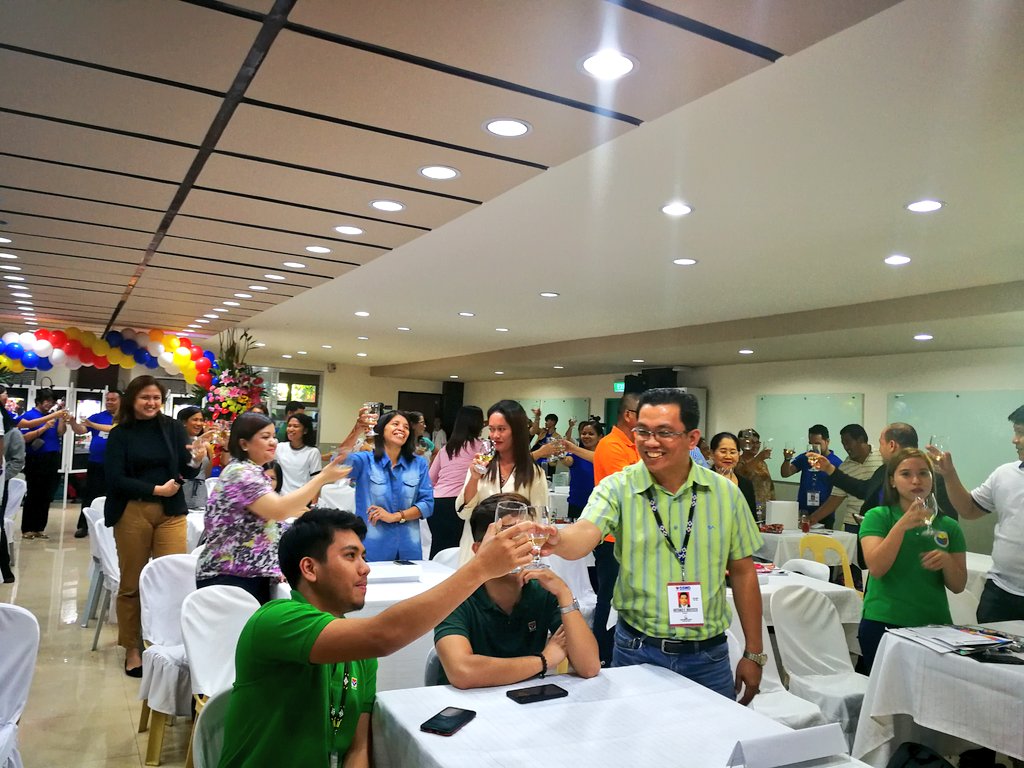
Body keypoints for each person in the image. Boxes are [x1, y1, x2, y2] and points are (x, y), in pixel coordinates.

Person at [218, 507, 536, 768]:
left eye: (363, 556)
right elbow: (383, 635)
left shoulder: (360, 655)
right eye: (350, 556)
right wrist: (479, 569)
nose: (365, 568)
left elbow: (357, 749)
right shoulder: (275, 620)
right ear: (309, 568)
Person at [542, 388, 766, 703]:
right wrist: (556, 538)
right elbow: (584, 535)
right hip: (638, 651)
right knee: (634, 747)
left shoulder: (724, 494)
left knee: (714, 748)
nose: (650, 441)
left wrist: (754, 652)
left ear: (692, 438)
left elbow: (743, 573)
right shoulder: (618, 487)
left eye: (663, 432)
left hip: (709, 657)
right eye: (643, 431)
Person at [434, 493, 600, 688]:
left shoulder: (541, 590)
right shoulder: (456, 594)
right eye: (508, 535)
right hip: (466, 706)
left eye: (527, 534)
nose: (521, 543)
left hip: (526, 703)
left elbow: (589, 667)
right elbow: (462, 671)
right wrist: (544, 660)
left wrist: (564, 593)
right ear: (478, 549)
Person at [104, 376, 206, 677]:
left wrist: (195, 461)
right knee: (132, 582)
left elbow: (183, 470)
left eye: (156, 398)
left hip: (171, 512)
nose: (151, 403)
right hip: (132, 510)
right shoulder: (121, 433)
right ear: (132, 399)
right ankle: (132, 648)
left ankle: (165, 643)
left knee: (171, 580)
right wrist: (154, 490)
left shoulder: (172, 428)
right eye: (145, 397)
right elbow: (114, 478)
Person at [196, 412, 351, 603]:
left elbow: (273, 518)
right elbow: (279, 511)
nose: (273, 442)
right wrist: (322, 478)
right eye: (265, 437)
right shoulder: (241, 473)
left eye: (274, 436)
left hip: (248, 573)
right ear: (244, 444)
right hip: (230, 575)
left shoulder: (252, 470)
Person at [857, 448, 967, 672]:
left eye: (924, 473)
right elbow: (876, 568)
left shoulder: (948, 526)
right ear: (893, 481)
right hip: (884, 622)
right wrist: (902, 525)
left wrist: (946, 561)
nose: (916, 480)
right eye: (906, 474)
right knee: (887, 701)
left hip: (934, 626)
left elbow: (958, 586)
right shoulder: (878, 517)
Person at [928, 404, 1024, 622]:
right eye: (1015, 432)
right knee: (987, 653)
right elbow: (969, 509)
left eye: (1020, 432)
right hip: (1001, 589)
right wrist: (949, 475)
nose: (1014, 440)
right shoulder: (1005, 474)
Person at [456, 400, 549, 565]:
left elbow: (538, 518)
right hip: (477, 548)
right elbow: (464, 512)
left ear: (517, 431)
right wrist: (474, 478)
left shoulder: (533, 473)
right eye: (491, 429)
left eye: (502, 429)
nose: (495, 435)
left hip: (514, 552)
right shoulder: (481, 465)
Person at [589, 392, 640, 665]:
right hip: (611, 537)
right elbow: (630, 490)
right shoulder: (611, 445)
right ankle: (600, 655)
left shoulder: (635, 445)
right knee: (607, 598)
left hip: (633, 537)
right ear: (629, 416)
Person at [344, 409, 433, 561]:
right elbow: (337, 464)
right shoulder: (366, 461)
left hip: (408, 547)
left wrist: (395, 516)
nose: (401, 429)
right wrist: (357, 429)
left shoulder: (419, 464)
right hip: (372, 547)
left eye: (406, 427)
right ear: (381, 430)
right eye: (395, 424)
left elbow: (427, 504)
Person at [427, 405, 483, 557]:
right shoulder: (483, 447)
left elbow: (430, 479)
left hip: (437, 501)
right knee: (459, 551)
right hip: (461, 503)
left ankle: (435, 580)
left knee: (438, 549)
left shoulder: (447, 449)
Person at [807, 424, 883, 532]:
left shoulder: (882, 458)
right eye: (843, 444)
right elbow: (834, 499)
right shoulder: (844, 467)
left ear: (861, 439)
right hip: (852, 524)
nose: (846, 447)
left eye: (848, 442)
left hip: (878, 522)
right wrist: (811, 519)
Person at [67, 390, 121, 537]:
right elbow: (81, 430)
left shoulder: (126, 417)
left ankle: (110, 527)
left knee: (114, 496)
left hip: (117, 464)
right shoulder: (98, 416)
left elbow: (116, 429)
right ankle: (84, 526)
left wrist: (93, 424)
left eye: (113, 399)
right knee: (90, 495)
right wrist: (72, 422)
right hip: (96, 463)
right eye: (107, 399)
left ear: (121, 401)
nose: (109, 402)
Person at [19, 388, 67, 540]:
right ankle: (27, 528)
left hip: (52, 457)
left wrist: (61, 419)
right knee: (34, 493)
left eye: (52, 401)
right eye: (46, 400)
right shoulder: (29, 416)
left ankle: (39, 528)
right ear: (39, 401)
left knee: (46, 495)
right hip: (36, 459)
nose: (49, 404)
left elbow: (60, 433)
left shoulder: (52, 415)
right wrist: (44, 428)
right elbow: (25, 438)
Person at [780, 424, 843, 526]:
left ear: (827, 442)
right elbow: (785, 473)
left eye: (817, 444)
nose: (813, 448)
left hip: (824, 515)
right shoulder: (805, 457)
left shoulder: (836, 463)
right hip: (803, 512)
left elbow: (839, 493)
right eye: (811, 444)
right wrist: (787, 459)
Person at [556, 420, 603, 520]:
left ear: (600, 437)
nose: (586, 436)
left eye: (591, 434)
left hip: (598, 504)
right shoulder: (575, 455)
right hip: (577, 504)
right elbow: (567, 461)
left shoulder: (604, 456)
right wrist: (560, 455)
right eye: (583, 433)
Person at [1, 403, 25, 584]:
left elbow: (17, 462)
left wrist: (3, 477)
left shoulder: (13, 433)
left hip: (3, 483)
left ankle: (4, 568)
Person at [175, 405, 213, 511]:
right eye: (195, 420)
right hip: (181, 490)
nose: (199, 423)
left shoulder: (206, 445)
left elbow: (207, 473)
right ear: (184, 422)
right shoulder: (176, 442)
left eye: (201, 420)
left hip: (200, 493)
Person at [710, 432, 757, 518]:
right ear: (712, 453)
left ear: (738, 454)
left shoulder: (746, 484)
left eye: (732, 452)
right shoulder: (703, 481)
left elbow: (752, 519)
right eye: (723, 451)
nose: (728, 456)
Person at [276, 412, 323, 497]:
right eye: (289, 425)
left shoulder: (312, 452)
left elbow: (316, 480)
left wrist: (313, 505)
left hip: (301, 499)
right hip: (281, 498)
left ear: (305, 430)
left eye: (296, 426)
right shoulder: (280, 447)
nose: (291, 429)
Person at [735, 428, 775, 510]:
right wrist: (759, 458)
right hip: (748, 507)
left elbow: (770, 487)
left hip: (766, 508)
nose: (755, 446)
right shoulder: (737, 461)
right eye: (751, 443)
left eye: (757, 443)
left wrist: (774, 505)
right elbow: (742, 475)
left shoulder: (762, 463)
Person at [529, 410, 561, 479]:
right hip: (535, 461)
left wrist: (552, 463)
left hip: (548, 464)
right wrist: (537, 417)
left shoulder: (557, 436)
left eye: (547, 421)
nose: (545, 423)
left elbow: (556, 453)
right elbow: (534, 430)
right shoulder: (542, 432)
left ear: (553, 422)